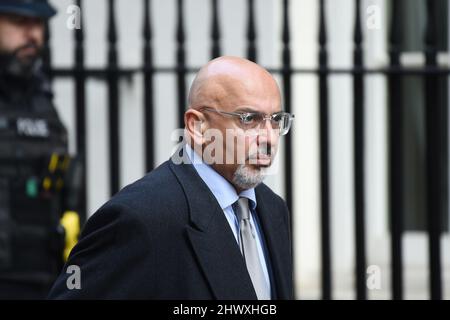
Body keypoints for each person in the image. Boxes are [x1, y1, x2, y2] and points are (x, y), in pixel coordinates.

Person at [48, 56, 294, 300]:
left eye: (276, 121)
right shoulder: (141, 218)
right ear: (197, 127)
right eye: (248, 119)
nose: (268, 139)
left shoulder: (272, 208)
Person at [0, 0, 81, 299]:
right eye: (20, 23)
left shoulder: (41, 100)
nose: (33, 35)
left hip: (44, 277)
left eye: (38, 25)